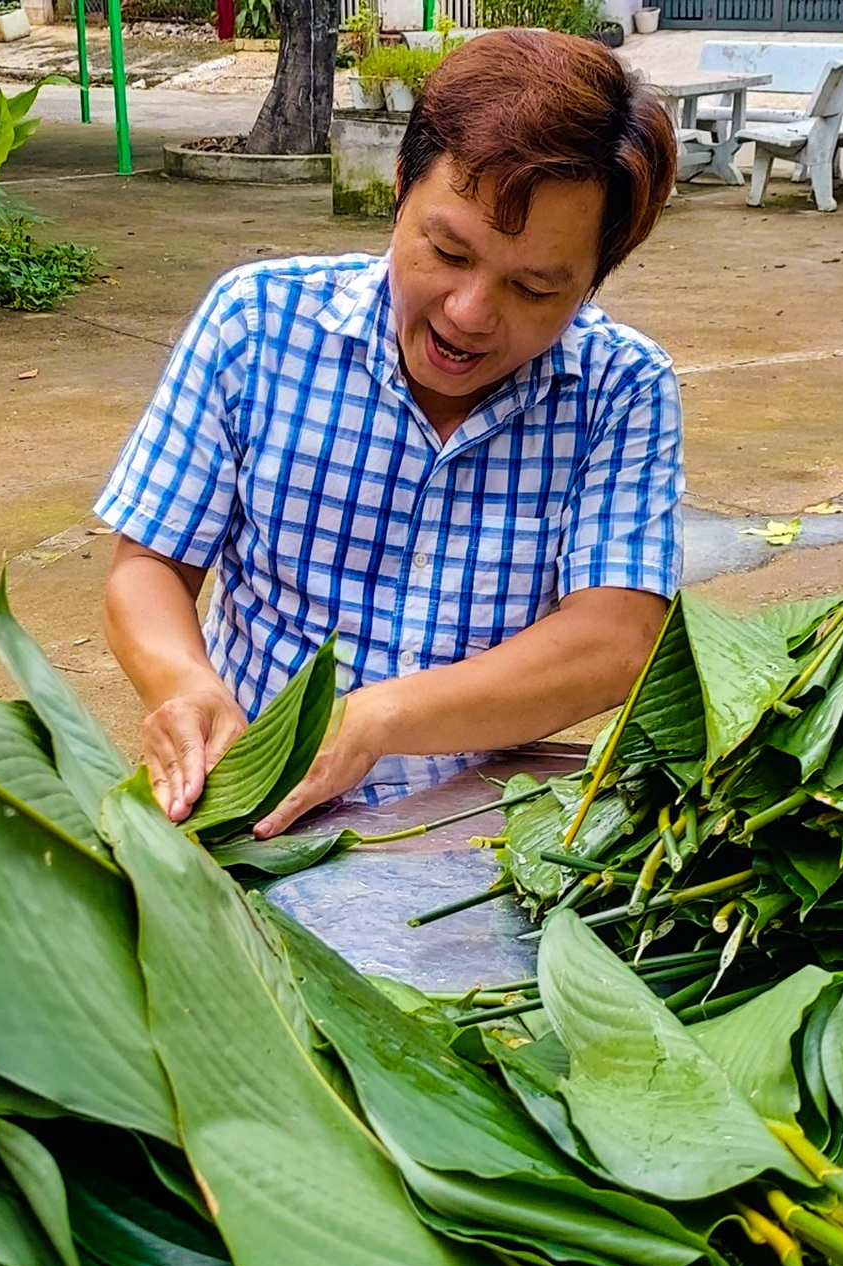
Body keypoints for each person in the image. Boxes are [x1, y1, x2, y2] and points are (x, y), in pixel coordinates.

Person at [96, 28, 682, 839]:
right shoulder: (257, 322)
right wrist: (183, 684)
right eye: (447, 250)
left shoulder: (621, 388)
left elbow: (615, 639)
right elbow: (148, 564)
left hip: (471, 841)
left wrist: (374, 720)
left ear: (592, 281)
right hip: (250, 806)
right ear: (400, 187)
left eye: (536, 287)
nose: (471, 314)